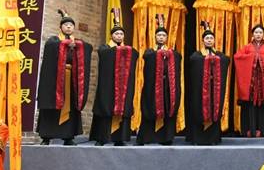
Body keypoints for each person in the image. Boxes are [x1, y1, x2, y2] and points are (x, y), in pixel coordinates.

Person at [37, 9, 93, 145]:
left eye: (71, 25)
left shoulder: (77, 42)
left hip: (71, 79)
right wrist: (66, 44)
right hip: (55, 81)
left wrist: (78, 47)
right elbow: (51, 48)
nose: (69, 27)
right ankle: (46, 136)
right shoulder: (54, 40)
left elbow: (88, 48)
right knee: (52, 107)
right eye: (66, 25)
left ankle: (68, 136)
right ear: (60, 27)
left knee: (71, 106)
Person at [90, 8, 139, 146]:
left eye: (121, 34)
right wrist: (118, 51)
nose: (119, 36)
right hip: (109, 85)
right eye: (116, 33)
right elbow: (104, 55)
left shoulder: (127, 50)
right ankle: (102, 138)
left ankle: (119, 138)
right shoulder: (105, 48)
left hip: (123, 86)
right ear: (111, 35)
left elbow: (135, 55)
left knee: (122, 108)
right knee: (106, 107)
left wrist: (125, 51)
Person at [137, 18, 182, 145]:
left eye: (163, 35)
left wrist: (168, 55)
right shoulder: (150, 51)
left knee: (168, 111)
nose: (161, 37)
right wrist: (160, 54)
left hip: (167, 88)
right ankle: (146, 138)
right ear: (155, 36)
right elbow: (147, 58)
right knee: (149, 110)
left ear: (167, 37)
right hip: (153, 88)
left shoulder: (172, 52)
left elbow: (178, 59)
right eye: (159, 35)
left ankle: (166, 138)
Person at [234, 24, 264, 137]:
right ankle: (249, 130)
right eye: (256, 32)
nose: (258, 35)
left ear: (263, 34)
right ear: (252, 34)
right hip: (250, 84)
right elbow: (237, 57)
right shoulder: (247, 47)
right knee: (249, 106)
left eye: (260, 32)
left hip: (263, 83)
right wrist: (252, 57)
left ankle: (262, 130)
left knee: (262, 106)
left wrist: (262, 58)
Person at [187, 22, 231, 145]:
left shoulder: (218, 54)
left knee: (215, 110)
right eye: (207, 38)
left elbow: (226, 60)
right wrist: (208, 61)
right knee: (199, 110)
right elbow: (193, 61)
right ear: (203, 40)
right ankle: (198, 139)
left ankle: (213, 138)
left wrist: (214, 60)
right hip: (201, 91)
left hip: (215, 91)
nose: (209, 40)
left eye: (211, 38)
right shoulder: (198, 54)